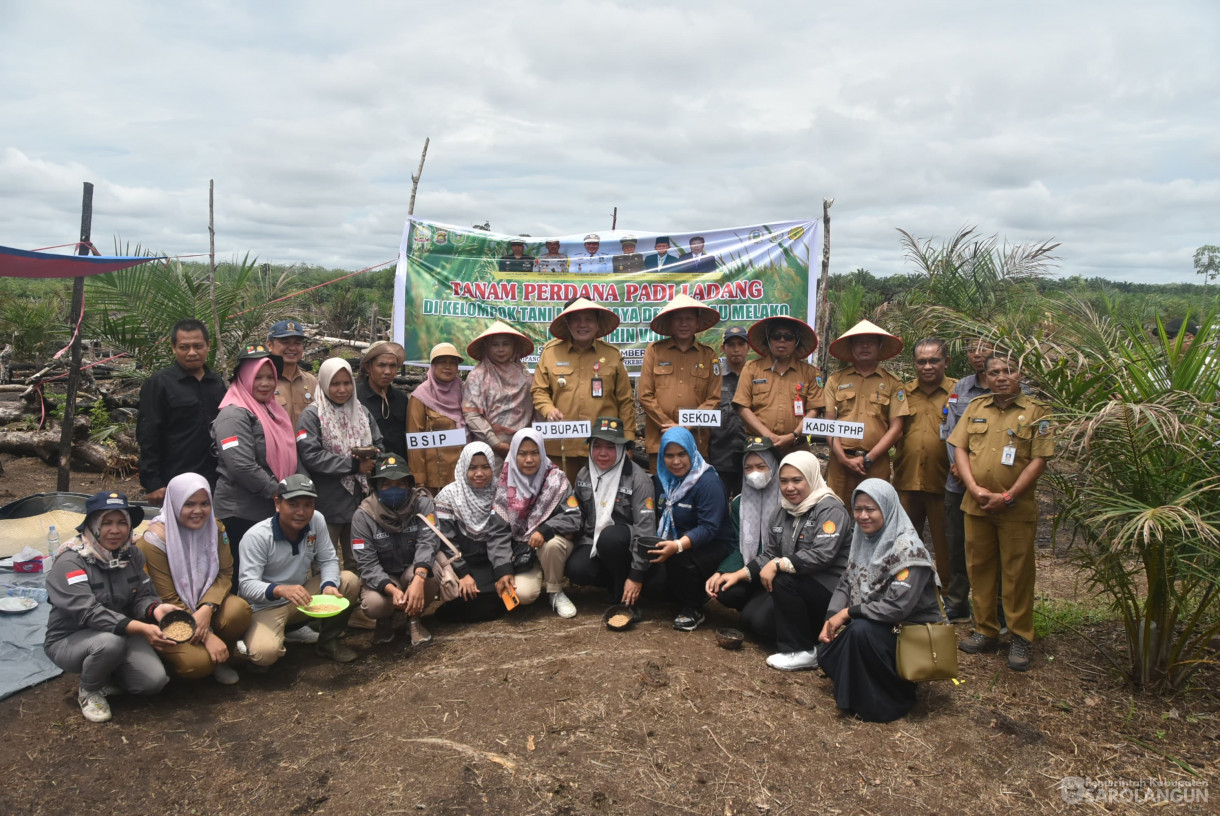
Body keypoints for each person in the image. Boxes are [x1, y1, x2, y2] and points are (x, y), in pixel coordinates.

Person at [947, 355, 1054, 672]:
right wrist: (973, 488)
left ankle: (1020, 635)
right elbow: (961, 449)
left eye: (1009, 370)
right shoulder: (976, 408)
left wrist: (1008, 495)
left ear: (1021, 374)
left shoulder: (1037, 412)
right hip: (976, 504)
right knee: (979, 568)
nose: (1002, 377)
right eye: (994, 372)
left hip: (1015, 509)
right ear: (986, 376)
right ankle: (985, 630)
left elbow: (1039, 460)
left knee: (1017, 573)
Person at [818, 479, 945, 722]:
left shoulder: (909, 550)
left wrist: (847, 613)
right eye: (858, 509)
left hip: (908, 630)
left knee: (860, 631)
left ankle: (890, 699)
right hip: (880, 622)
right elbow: (847, 580)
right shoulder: (862, 539)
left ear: (887, 508)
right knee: (828, 651)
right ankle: (857, 691)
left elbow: (898, 607)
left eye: (871, 509)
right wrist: (830, 618)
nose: (863, 516)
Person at [44, 492, 177, 723]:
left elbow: (142, 596)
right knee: (109, 644)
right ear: (92, 526)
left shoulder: (132, 554)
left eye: (121, 522)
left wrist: (156, 609)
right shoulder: (72, 560)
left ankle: (107, 675)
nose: (115, 530)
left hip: (122, 630)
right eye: (106, 523)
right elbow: (87, 611)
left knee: (153, 682)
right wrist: (139, 628)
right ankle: (89, 690)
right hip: (70, 638)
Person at [730, 451, 850, 670]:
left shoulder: (829, 508)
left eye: (797, 480)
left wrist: (779, 564)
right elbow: (770, 552)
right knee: (751, 620)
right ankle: (812, 631)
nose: (789, 487)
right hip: (800, 585)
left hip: (828, 588)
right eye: (783, 481)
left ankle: (802, 649)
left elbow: (823, 554)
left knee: (783, 579)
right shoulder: (783, 509)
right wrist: (739, 574)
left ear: (812, 477)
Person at [137, 474, 252, 685]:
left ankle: (220, 659)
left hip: (205, 603)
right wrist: (207, 635)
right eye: (189, 504)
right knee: (197, 665)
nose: (198, 511)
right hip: (169, 615)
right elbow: (168, 598)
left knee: (239, 610)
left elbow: (225, 573)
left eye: (204, 503)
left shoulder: (215, 528)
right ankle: (177, 661)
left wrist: (207, 608)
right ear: (174, 503)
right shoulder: (153, 541)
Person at [237, 475, 363, 668]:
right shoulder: (257, 537)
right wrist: (280, 590)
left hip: (300, 598)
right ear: (278, 503)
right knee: (265, 654)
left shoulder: (316, 520)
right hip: (264, 608)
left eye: (308, 504)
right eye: (293, 504)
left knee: (348, 581)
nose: (301, 512)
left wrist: (329, 585)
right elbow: (246, 586)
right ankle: (261, 639)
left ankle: (327, 641)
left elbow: (329, 558)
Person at [212, 344, 300, 572]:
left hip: (268, 508)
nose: (265, 383)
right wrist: (279, 493)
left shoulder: (272, 409)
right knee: (243, 573)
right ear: (243, 377)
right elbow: (240, 465)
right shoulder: (233, 414)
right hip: (240, 512)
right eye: (257, 377)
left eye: (270, 377)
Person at [531, 297, 636, 484]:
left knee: (601, 501)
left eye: (588, 319)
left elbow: (625, 401)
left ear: (597, 323)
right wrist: (548, 409)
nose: (583, 325)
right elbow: (539, 390)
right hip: (561, 445)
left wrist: (627, 441)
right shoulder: (550, 352)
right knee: (561, 499)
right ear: (568, 323)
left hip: (603, 445)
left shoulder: (612, 354)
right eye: (576, 319)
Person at [296, 358, 383, 569]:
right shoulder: (312, 415)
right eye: (335, 384)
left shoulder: (361, 412)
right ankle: (325, 599)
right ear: (324, 384)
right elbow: (311, 455)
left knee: (358, 555)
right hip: (327, 499)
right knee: (324, 558)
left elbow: (379, 443)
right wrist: (353, 466)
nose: (342, 389)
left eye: (347, 383)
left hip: (359, 498)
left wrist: (374, 458)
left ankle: (357, 599)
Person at [564, 416, 656, 613]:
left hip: (625, 547)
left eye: (611, 446)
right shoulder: (584, 475)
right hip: (593, 542)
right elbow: (576, 515)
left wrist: (637, 573)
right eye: (597, 446)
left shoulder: (638, 479)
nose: (602, 453)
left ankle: (627, 588)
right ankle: (613, 585)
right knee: (576, 570)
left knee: (611, 538)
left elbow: (645, 529)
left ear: (622, 449)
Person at [645, 427, 733, 631]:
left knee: (679, 558)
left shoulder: (707, 481)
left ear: (692, 452)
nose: (676, 462)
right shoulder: (662, 480)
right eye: (669, 455)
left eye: (681, 454)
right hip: (676, 542)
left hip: (714, 546)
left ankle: (693, 607)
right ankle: (681, 590)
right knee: (652, 589)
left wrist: (677, 545)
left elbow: (709, 528)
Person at [350, 454, 441, 646]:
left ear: (409, 485)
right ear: (376, 487)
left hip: (412, 570)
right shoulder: (363, 515)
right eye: (386, 484)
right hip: (384, 577)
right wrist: (391, 589)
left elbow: (428, 541)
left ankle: (414, 619)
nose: (394, 489)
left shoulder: (422, 504)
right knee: (374, 604)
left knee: (432, 576)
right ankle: (384, 621)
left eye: (401, 483)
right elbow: (366, 562)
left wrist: (419, 577)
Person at [490, 429, 583, 617]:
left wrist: (545, 529)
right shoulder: (505, 483)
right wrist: (503, 569)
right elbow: (498, 532)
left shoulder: (556, 479)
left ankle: (555, 591)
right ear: (513, 454)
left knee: (552, 544)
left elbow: (574, 516)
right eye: (522, 454)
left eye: (534, 452)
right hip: (522, 553)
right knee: (523, 595)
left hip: (550, 547)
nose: (529, 459)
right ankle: (536, 578)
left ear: (542, 452)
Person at [137, 318, 227, 503]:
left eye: (198, 346)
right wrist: (153, 482)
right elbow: (148, 434)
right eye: (184, 347)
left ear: (208, 345)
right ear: (173, 347)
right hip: (175, 480)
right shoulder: (160, 383)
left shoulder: (218, 383)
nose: (192, 353)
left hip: (217, 480)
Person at [891, 338, 957, 589]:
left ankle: (949, 595)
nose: (927, 366)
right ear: (915, 364)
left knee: (946, 543)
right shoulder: (904, 393)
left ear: (946, 362)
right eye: (921, 361)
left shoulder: (959, 392)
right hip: (907, 479)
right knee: (904, 541)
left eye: (934, 360)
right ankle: (905, 591)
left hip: (945, 482)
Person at [823, 320, 910, 504]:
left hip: (876, 464)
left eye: (870, 341)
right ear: (851, 347)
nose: (864, 346)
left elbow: (897, 428)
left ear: (879, 346)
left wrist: (869, 459)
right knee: (836, 515)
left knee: (875, 515)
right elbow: (829, 423)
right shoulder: (835, 380)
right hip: (840, 463)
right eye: (859, 341)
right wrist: (843, 458)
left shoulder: (893, 383)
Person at [705, 437, 782, 642]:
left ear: (773, 466)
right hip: (749, 570)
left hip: (777, 574)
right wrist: (722, 571)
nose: (754, 473)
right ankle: (755, 604)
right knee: (724, 588)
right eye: (748, 468)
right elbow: (738, 545)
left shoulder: (787, 500)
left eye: (760, 466)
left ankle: (763, 609)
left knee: (756, 622)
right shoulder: (740, 503)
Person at [637, 294, 722, 470]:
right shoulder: (654, 351)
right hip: (660, 439)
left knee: (695, 492)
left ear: (697, 323)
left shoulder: (708, 355)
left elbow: (714, 399)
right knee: (662, 493)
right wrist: (670, 426)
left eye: (689, 319)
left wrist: (687, 425)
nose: (684, 324)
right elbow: (645, 395)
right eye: (679, 319)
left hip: (695, 442)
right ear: (670, 323)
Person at [941, 337, 994, 620]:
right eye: (972, 349)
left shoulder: (1018, 390)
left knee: (992, 550)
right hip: (957, 483)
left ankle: (996, 609)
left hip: (996, 486)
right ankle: (958, 601)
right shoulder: (960, 387)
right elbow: (950, 431)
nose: (976, 354)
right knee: (956, 544)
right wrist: (960, 469)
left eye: (983, 348)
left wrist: (975, 472)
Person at [434, 442, 513, 622]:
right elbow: (445, 540)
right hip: (459, 562)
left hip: (490, 561)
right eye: (472, 467)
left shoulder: (499, 492)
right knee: (470, 595)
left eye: (485, 467)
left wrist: (502, 569)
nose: (479, 473)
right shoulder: (448, 496)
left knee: (495, 596)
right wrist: (463, 573)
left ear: (493, 467)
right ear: (463, 467)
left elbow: (501, 536)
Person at [733, 316, 823, 459]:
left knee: (797, 481)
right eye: (776, 336)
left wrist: (793, 435)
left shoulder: (809, 372)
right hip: (759, 446)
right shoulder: (751, 368)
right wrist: (767, 435)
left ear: (797, 341)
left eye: (788, 337)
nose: (782, 340)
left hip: (797, 447)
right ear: (768, 339)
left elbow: (814, 409)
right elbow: (742, 407)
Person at [462, 321, 536, 471]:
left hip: (524, 446)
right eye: (495, 345)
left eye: (505, 344)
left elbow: (536, 409)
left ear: (514, 346)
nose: (500, 349)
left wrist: (533, 440)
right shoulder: (477, 376)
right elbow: (472, 415)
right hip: (490, 447)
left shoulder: (526, 377)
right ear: (486, 347)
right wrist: (496, 443)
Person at [408, 342, 466, 493]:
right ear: (433, 365)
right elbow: (415, 441)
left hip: (463, 474)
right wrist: (419, 480)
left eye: (453, 363)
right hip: (435, 478)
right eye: (442, 362)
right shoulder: (421, 396)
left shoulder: (465, 391)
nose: (448, 367)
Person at [706, 325, 751, 496]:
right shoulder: (714, 376)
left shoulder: (755, 376)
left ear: (749, 347)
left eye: (741, 344)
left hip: (750, 453)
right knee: (718, 505)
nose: (736, 349)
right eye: (731, 345)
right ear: (723, 348)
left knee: (746, 507)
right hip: (719, 454)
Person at [357, 340, 409, 458]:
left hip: (398, 471)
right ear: (368, 367)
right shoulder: (356, 398)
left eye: (392, 366)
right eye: (381, 365)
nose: (387, 372)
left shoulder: (401, 399)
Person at [267, 319, 319, 428]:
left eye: (297, 343)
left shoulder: (311, 381)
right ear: (269, 345)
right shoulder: (263, 382)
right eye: (285, 341)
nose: (292, 348)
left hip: (308, 444)